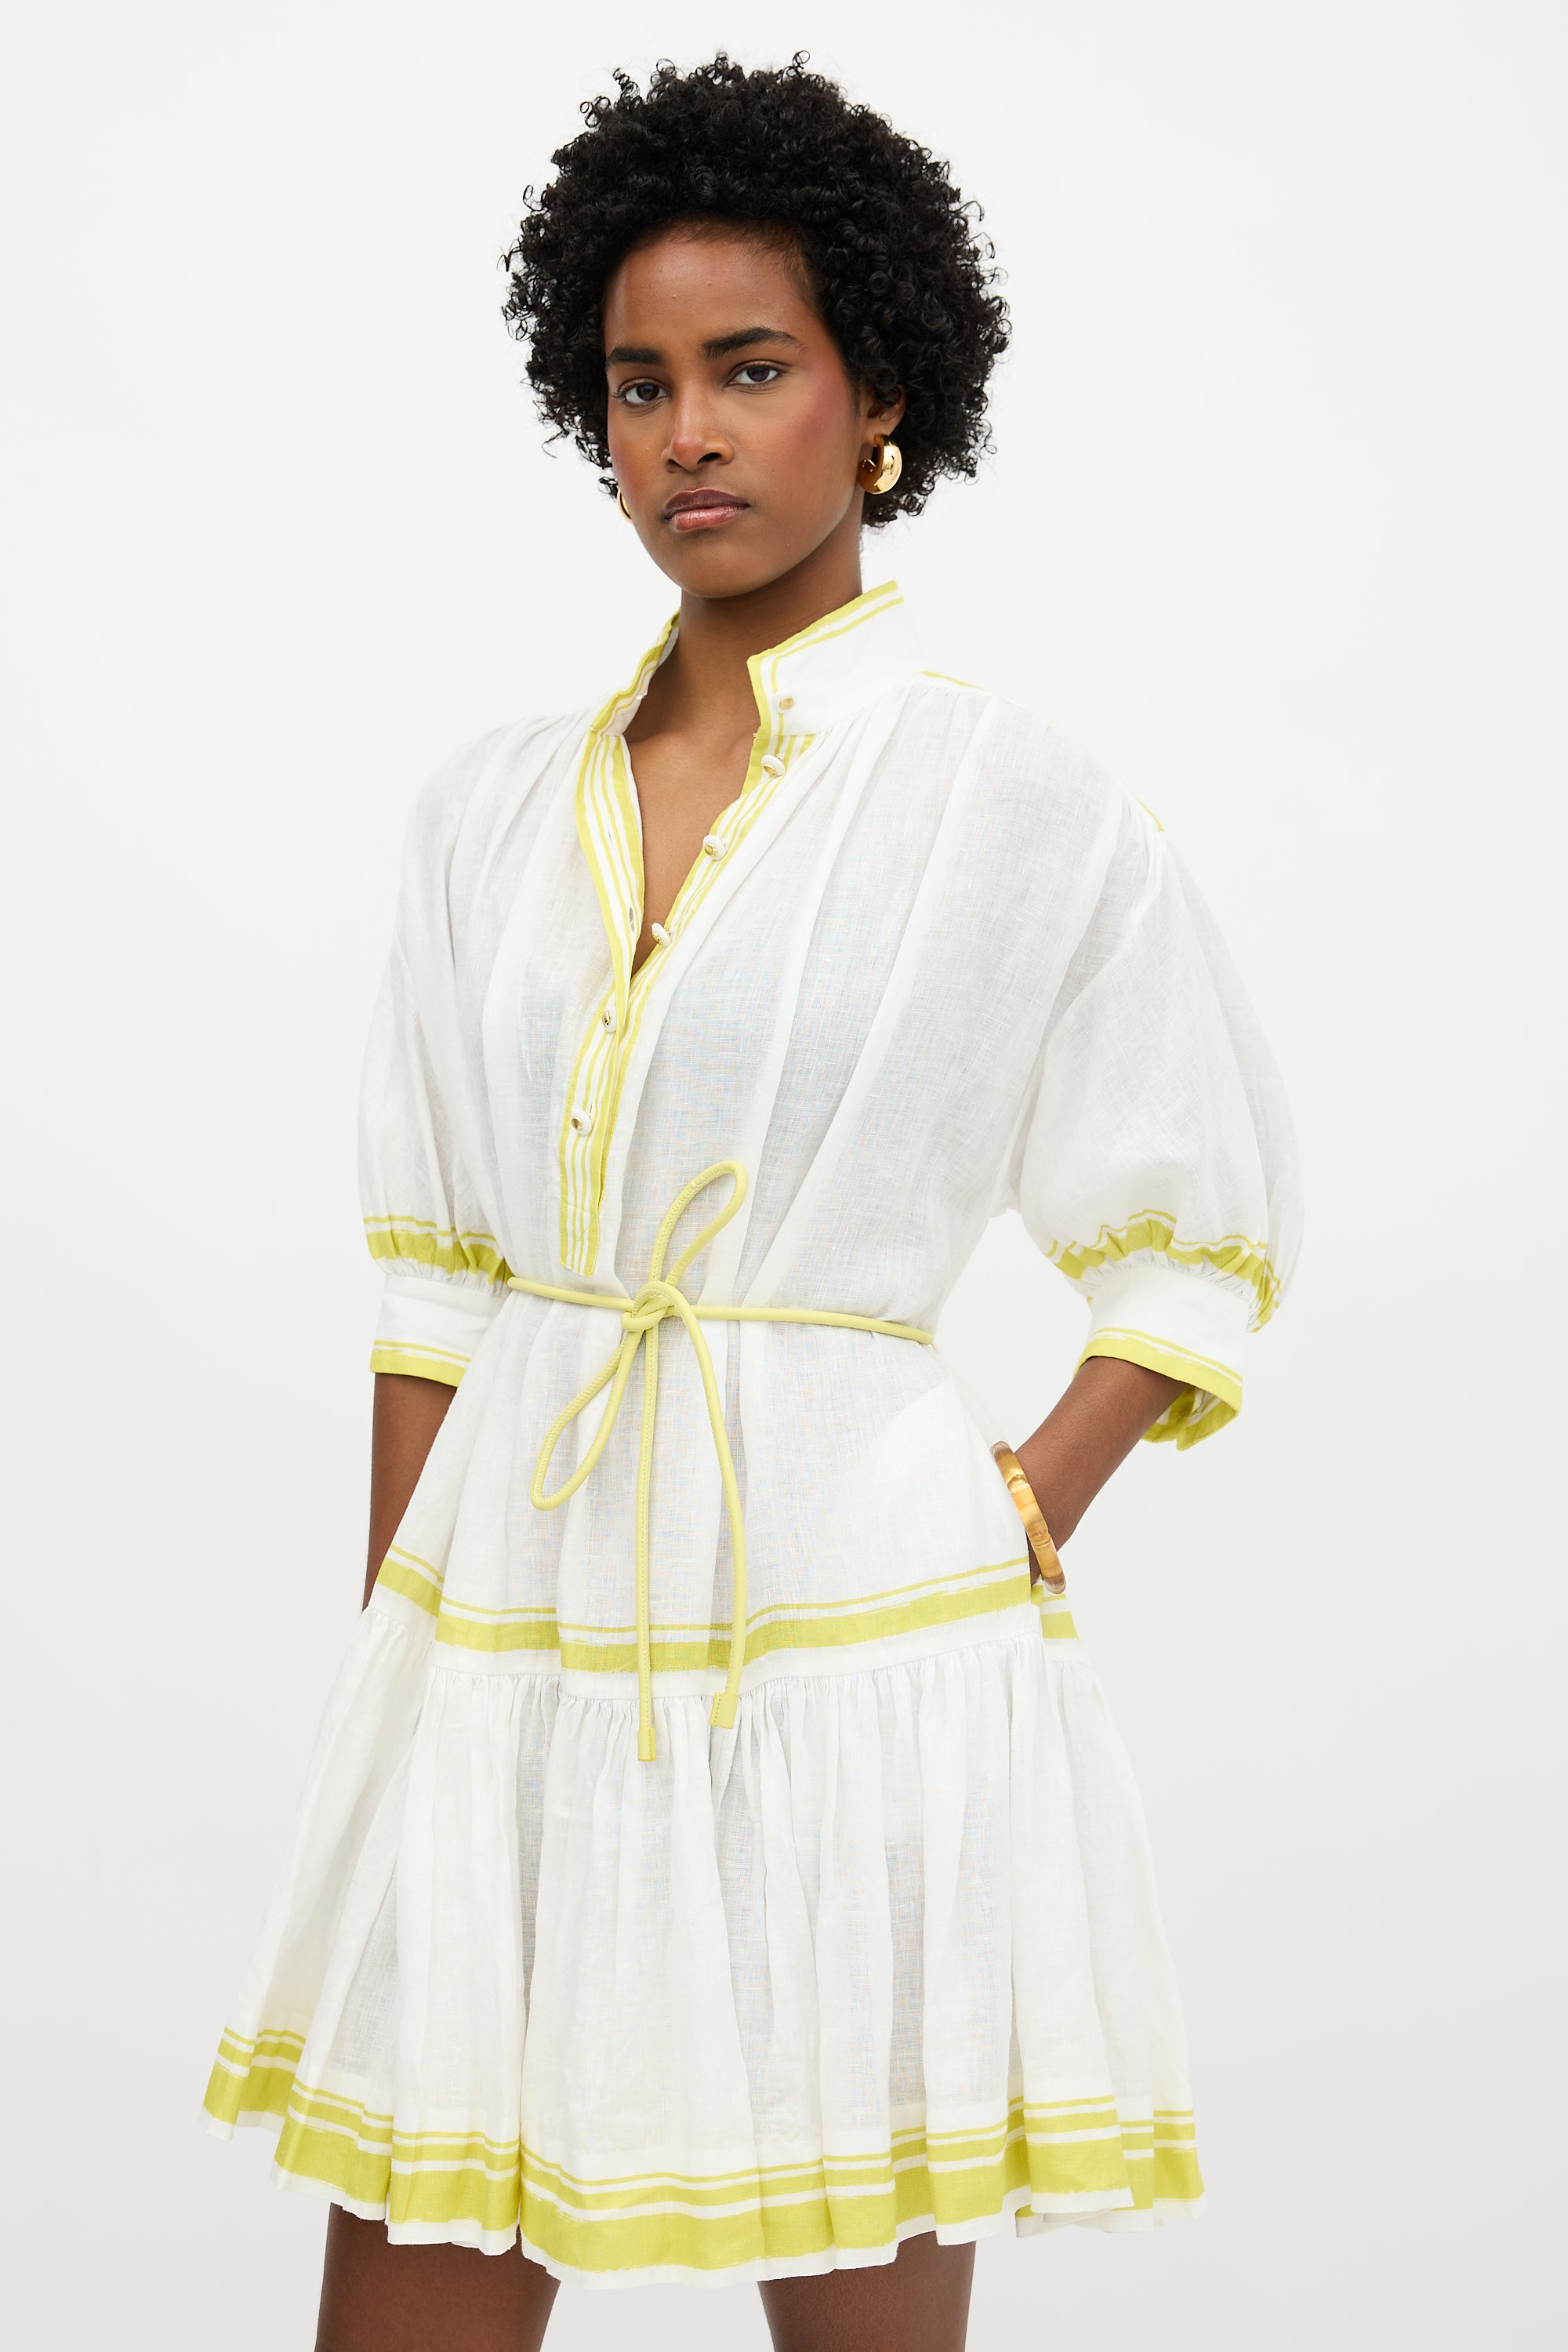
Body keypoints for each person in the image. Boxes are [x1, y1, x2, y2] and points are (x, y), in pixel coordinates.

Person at [204, 54, 1301, 2352]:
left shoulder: (1017, 804)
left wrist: (1030, 1497)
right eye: (639, 385)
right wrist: (410, 1663)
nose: (686, 435)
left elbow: (1188, 1216)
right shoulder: (488, 813)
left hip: (861, 1648)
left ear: (878, 397)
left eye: (751, 369)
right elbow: (435, 1279)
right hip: (511, 1637)